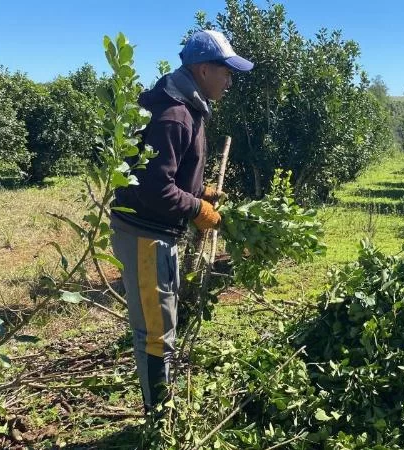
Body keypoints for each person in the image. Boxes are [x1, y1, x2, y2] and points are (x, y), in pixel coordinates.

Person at [110, 30, 253, 414]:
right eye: (226, 71)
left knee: (162, 326)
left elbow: (165, 174)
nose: (230, 80)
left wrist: (198, 190)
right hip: (144, 234)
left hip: (156, 233)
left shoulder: (186, 105)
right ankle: (160, 421)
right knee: (156, 334)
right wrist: (196, 209)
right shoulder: (175, 115)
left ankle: (163, 409)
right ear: (204, 69)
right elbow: (155, 190)